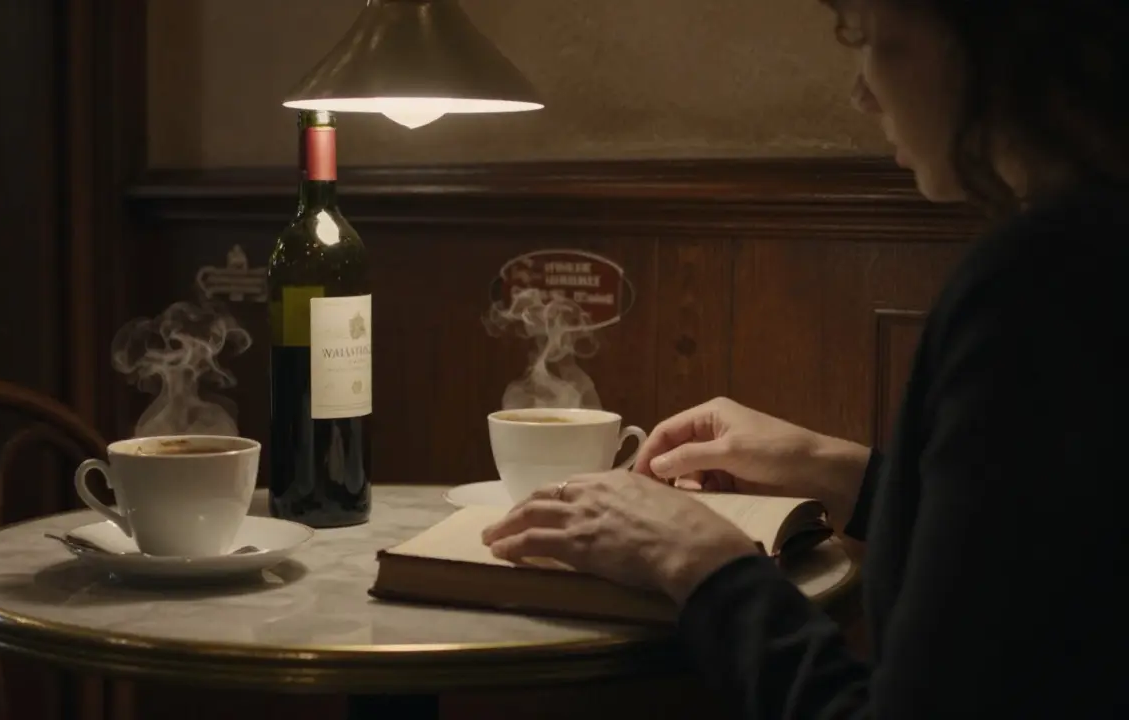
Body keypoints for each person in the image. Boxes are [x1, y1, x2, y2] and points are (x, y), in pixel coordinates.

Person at [482, 0, 1129, 717]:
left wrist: (697, 560)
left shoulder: (1040, 284)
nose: (861, 92)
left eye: (874, 39)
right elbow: (1043, 579)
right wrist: (840, 470)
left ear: (992, 43)